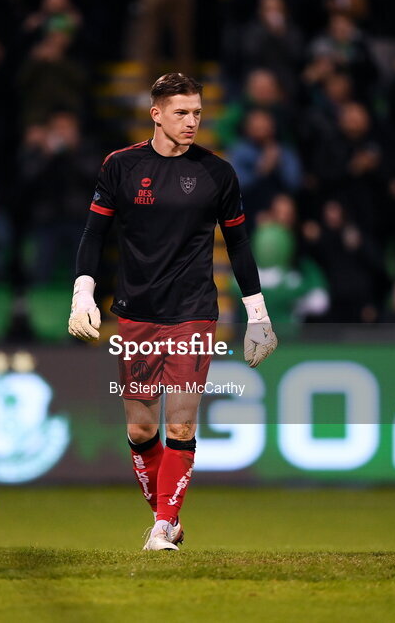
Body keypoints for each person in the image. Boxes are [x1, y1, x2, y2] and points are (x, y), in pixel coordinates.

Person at [67, 73, 277, 551]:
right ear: (156, 113)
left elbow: (239, 243)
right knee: (141, 429)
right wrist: (83, 294)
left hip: (193, 312)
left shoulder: (217, 173)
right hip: (137, 313)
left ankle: (162, 528)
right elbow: (93, 234)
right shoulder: (120, 166)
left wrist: (257, 315)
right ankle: (169, 518)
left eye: (198, 112)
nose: (192, 121)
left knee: (180, 425)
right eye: (181, 112)